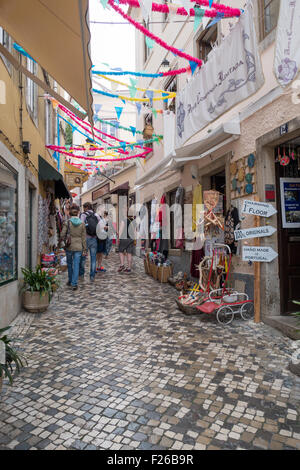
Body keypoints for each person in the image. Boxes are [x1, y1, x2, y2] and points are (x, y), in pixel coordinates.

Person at [60, 204, 86, 291]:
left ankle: (70, 280)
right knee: (76, 265)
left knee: (70, 264)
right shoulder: (82, 224)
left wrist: (63, 241)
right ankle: (74, 284)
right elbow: (83, 237)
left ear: (70, 214)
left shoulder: (67, 222)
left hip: (69, 246)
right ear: (77, 214)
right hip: (79, 247)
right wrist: (85, 248)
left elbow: (62, 234)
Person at [79, 202, 101, 282]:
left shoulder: (83, 215)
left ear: (86, 207)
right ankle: (92, 276)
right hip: (94, 238)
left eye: (84, 207)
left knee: (83, 257)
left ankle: (81, 274)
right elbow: (101, 225)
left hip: (85, 239)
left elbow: (80, 226)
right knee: (93, 258)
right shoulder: (96, 215)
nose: (83, 209)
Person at [118, 209, 136, 273]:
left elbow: (121, 230)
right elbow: (135, 231)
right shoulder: (134, 221)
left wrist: (119, 238)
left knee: (120, 251)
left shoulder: (124, 220)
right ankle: (129, 268)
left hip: (124, 238)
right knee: (129, 253)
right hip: (131, 239)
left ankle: (122, 265)